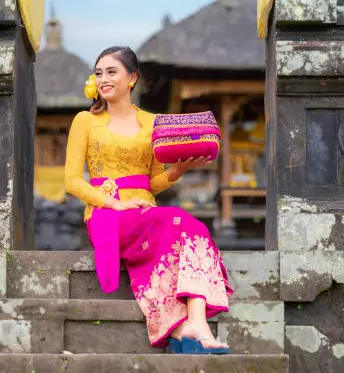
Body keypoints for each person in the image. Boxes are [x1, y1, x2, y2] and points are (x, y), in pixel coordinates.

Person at [64, 46, 233, 354]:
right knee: (184, 222)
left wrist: (178, 170)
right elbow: (72, 180)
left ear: (132, 78)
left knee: (191, 226)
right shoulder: (84, 121)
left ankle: (192, 325)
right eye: (99, 72)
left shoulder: (153, 123)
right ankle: (192, 327)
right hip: (107, 214)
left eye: (112, 72)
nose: (103, 79)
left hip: (144, 212)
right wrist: (114, 203)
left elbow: (151, 183)